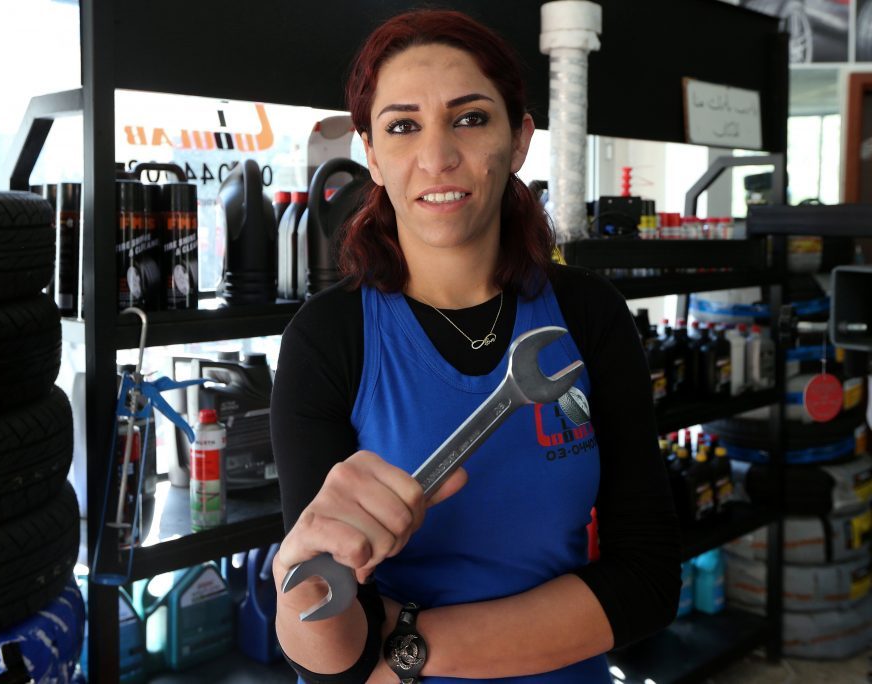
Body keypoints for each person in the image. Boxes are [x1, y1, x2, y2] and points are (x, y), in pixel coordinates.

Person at [270, 9, 680, 683]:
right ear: (371, 152)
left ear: (519, 141)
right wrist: (305, 584)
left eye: (470, 118)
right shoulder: (328, 339)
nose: (437, 158)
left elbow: (647, 582)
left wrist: (403, 644)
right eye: (403, 126)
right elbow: (331, 662)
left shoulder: (589, 314)